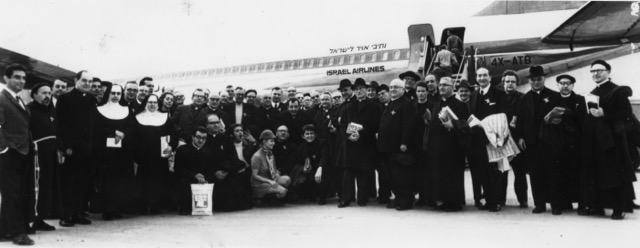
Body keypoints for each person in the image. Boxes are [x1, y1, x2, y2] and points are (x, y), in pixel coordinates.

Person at [579, 60, 637, 220]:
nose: (595, 74)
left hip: (613, 140)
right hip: (595, 140)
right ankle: (598, 206)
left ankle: (619, 208)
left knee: (614, 175)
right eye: (592, 71)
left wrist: (604, 113)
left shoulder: (617, 91)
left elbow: (627, 114)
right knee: (598, 173)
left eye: (599, 70)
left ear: (608, 72)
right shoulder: (592, 92)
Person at [515, 65, 565, 215]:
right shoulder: (524, 99)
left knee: (553, 174)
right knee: (536, 175)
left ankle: (556, 204)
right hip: (532, 143)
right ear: (529, 81)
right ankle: (540, 204)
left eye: (539, 79)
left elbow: (561, 117)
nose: (536, 82)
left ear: (544, 79)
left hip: (549, 142)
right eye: (533, 80)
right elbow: (520, 121)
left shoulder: (555, 96)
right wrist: (520, 137)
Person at [0, 64, 35, 245]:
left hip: (23, 151)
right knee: (12, 193)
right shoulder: (2, 98)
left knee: (18, 192)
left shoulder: (18, 99)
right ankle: (18, 233)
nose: (21, 81)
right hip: (10, 153)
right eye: (16, 77)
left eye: (23, 78)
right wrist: (3, 148)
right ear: (6, 78)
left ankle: (5, 229)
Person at [56, 70, 96, 227]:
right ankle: (65, 216)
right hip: (71, 150)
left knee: (83, 183)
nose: (87, 84)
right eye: (84, 80)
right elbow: (61, 124)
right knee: (68, 183)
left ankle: (78, 213)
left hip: (87, 150)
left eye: (90, 81)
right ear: (76, 80)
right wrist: (66, 146)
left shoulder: (91, 100)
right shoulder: (65, 99)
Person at [425, 77, 470, 212]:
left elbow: (465, 124)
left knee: (453, 174)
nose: (441, 87)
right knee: (440, 175)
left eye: (445, 85)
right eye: (440, 85)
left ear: (452, 87)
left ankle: (454, 202)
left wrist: (454, 125)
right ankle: (442, 200)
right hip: (438, 147)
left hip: (453, 147)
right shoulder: (436, 104)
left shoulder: (460, 104)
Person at [337, 79, 381, 208]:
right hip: (350, 144)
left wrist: (361, 134)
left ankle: (362, 198)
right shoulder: (348, 107)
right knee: (348, 173)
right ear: (354, 91)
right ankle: (345, 199)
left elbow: (376, 125)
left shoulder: (374, 106)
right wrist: (349, 136)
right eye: (356, 89)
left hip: (365, 144)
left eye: (361, 88)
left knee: (363, 171)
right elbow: (343, 124)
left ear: (366, 90)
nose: (359, 91)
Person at [468, 67, 506, 212]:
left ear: (490, 77)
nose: (482, 78)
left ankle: (495, 201)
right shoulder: (474, 95)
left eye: (485, 75)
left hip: (493, 140)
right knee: (482, 172)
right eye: (479, 76)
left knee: (494, 172)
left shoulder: (499, 94)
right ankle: (489, 200)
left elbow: (503, 116)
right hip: (477, 140)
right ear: (476, 78)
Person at [94, 84, 134, 220]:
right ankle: (107, 209)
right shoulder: (99, 109)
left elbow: (132, 127)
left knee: (119, 180)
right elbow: (96, 128)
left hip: (122, 151)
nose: (116, 96)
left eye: (118, 93)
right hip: (104, 151)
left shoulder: (127, 110)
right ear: (108, 94)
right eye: (113, 93)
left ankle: (115, 208)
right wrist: (113, 132)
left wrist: (124, 134)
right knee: (106, 180)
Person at [133, 94, 177, 214]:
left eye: (155, 102)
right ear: (145, 103)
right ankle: (142, 205)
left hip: (159, 155)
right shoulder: (137, 117)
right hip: (142, 155)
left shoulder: (165, 117)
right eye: (150, 102)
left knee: (158, 180)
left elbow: (173, 135)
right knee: (143, 180)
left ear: (158, 104)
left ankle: (155, 206)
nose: (152, 105)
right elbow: (133, 136)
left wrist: (171, 146)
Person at [378, 79, 417, 210]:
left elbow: (409, 125)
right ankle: (398, 198)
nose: (393, 89)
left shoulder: (407, 104)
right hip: (387, 147)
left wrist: (404, 142)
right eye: (391, 87)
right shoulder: (390, 103)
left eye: (396, 87)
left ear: (402, 89)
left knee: (402, 176)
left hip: (398, 147)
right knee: (392, 176)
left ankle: (406, 201)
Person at [27, 83, 60, 231]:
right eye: (43, 93)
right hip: (36, 154)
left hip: (51, 154)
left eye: (49, 93)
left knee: (46, 187)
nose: (47, 96)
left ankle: (40, 219)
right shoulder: (29, 110)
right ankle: (29, 220)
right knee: (35, 188)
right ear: (34, 95)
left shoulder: (51, 111)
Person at [556, 74, 586, 212]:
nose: (565, 86)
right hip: (560, 142)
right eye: (562, 83)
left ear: (572, 85)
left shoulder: (580, 100)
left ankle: (581, 203)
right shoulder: (553, 100)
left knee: (578, 174)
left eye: (568, 83)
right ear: (558, 85)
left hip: (576, 142)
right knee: (561, 173)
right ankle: (565, 202)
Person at [499, 70, 528, 208]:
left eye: (512, 82)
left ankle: (522, 199)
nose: (509, 84)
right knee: (502, 172)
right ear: (503, 83)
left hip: (517, 140)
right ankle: (500, 199)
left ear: (517, 83)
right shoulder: (497, 98)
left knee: (520, 173)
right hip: (501, 141)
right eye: (507, 82)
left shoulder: (523, 98)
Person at [211, 124, 254, 211]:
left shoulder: (248, 144)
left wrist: (254, 142)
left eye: (241, 130)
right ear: (232, 134)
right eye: (237, 131)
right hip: (233, 170)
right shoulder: (228, 143)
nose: (240, 133)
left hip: (246, 170)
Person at [174, 127, 215, 215]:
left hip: (203, 182)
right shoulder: (182, 150)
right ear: (193, 137)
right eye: (198, 137)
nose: (201, 140)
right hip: (187, 180)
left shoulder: (209, 152)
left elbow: (211, 170)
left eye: (204, 138)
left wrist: (204, 178)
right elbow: (178, 169)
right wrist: (194, 175)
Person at [313, 92, 341, 205]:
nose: (325, 102)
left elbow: (341, 128)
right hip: (322, 146)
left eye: (327, 99)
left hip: (334, 145)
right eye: (323, 100)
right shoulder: (317, 113)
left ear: (331, 100)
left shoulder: (337, 112)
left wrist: (336, 131)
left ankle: (341, 195)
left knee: (337, 171)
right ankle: (323, 196)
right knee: (324, 171)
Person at [251, 130, 292, 204]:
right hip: (259, 184)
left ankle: (273, 195)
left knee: (287, 179)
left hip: (270, 178)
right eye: (271, 141)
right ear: (264, 141)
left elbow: (273, 168)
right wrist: (269, 181)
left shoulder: (270, 154)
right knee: (282, 191)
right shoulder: (256, 156)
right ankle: (263, 199)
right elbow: (254, 176)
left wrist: (277, 174)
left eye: (274, 141)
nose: (274, 143)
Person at [289, 124, 323, 202]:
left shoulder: (321, 143)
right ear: (303, 136)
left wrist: (319, 169)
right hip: (307, 172)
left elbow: (324, 158)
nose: (309, 135)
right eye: (307, 134)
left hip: (319, 170)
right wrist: (303, 168)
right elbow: (297, 162)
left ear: (315, 135)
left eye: (311, 133)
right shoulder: (300, 148)